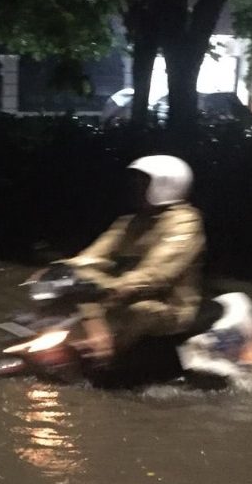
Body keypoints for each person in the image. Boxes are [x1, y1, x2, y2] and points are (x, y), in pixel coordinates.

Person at [62, 155, 205, 364]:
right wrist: (62, 269)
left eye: (143, 182)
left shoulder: (185, 222)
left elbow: (157, 273)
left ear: (165, 185)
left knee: (141, 311)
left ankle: (107, 364)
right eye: (135, 182)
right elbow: (92, 257)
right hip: (119, 296)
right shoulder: (130, 222)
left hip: (168, 306)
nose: (135, 187)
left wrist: (115, 288)